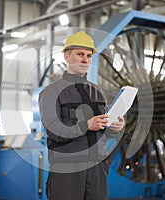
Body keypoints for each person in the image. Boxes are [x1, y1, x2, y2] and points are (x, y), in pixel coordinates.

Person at [39, 31, 125, 200]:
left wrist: (115, 127)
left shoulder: (97, 92)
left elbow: (103, 130)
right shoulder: (50, 92)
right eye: (80, 54)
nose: (85, 59)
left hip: (97, 168)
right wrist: (86, 125)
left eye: (88, 55)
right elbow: (54, 131)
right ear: (66, 56)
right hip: (68, 170)